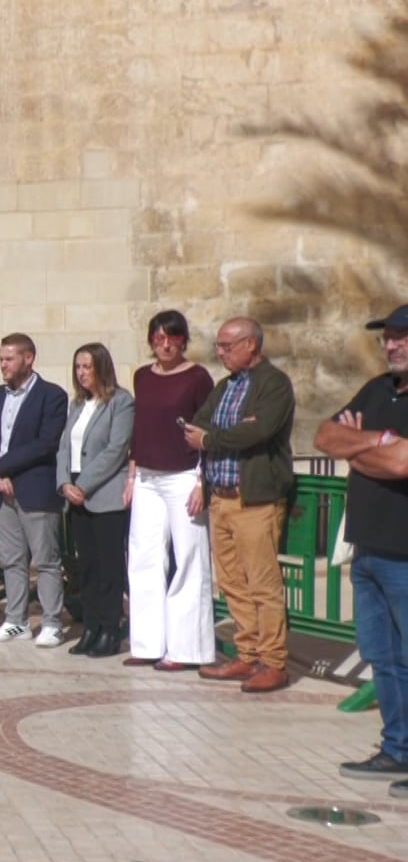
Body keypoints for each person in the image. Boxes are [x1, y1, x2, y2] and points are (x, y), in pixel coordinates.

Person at [315, 305, 408, 790]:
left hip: (405, 554)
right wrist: (378, 442)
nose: (391, 346)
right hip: (367, 548)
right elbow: (325, 436)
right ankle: (397, 749)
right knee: (382, 656)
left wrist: (358, 447)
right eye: (388, 338)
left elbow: (403, 465)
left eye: (401, 338)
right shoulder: (376, 389)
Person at [188, 317, 295, 692]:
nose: (220, 352)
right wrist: (216, 438)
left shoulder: (274, 384)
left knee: (263, 584)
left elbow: (257, 431)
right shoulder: (224, 387)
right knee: (232, 583)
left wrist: (211, 439)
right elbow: (197, 426)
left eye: (227, 346)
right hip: (221, 498)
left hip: (255, 500)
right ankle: (246, 654)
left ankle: (273, 661)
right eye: (218, 346)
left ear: (251, 344)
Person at [125, 310, 217, 670]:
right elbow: (140, 429)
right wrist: (131, 477)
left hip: (183, 475)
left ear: (183, 340)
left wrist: (201, 482)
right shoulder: (142, 377)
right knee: (144, 559)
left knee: (189, 560)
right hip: (147, 477)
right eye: (158, 338)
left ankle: (186, 649)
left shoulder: (197, 378)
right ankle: (147, 644)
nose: (165, 345)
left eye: (173, 338)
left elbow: (205, 429)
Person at [0, 333, 70, 647]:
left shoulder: (51, 395)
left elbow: (45, 443)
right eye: (1, 359)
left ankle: (52, 622)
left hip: (33, 489)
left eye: (9, 359)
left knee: (45, 560)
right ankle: (16, 620)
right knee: (12, 560)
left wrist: (2, 467)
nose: (2, 365)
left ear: (28, 359)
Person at [56, 344, 135, 657]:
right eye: (77, 367)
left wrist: (84, 485)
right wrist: (65, 483)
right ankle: (89, 626)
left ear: (102, 367)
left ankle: (109, 630)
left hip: (103, 496)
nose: (81, 373)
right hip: (75, 495)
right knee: (85, 567)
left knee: (108, 567)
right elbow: (64, 446)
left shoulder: (121, 402)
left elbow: (116, 450)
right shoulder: (77, 404)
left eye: (87, 367)